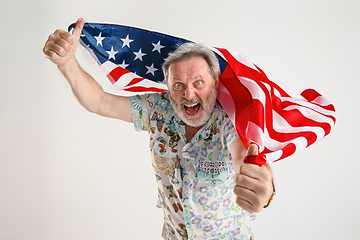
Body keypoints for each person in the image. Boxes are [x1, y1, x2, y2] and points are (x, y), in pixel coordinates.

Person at [43, 18, 274, 240]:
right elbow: (101, 102)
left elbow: (244, 156)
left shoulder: (230, 118)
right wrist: (67, 63)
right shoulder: (158, 108)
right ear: (168, 85)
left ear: (214, 81)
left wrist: (262, 186)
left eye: (198, 83)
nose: (188, 94)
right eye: (178, 85)